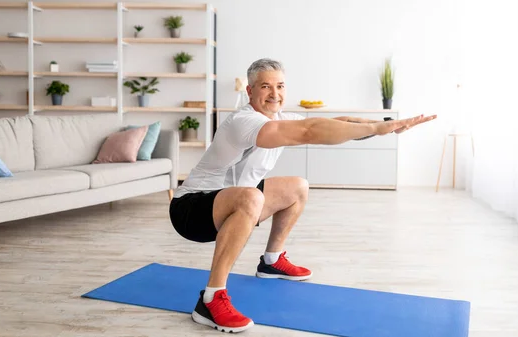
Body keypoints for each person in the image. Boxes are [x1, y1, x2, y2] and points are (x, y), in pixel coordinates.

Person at [169, 58, 437, 333]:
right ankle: (211, 299)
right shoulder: (244, 120)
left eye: (280, 86)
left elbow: (336, 123)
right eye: (265, 87)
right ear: (250, 92)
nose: (275, 94)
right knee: (251, 196)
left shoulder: (281, 118)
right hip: (191, 209)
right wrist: (374, 129)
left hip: (234, 202)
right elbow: (309, 131)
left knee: (298, 186)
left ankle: (271, 262)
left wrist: (385, 125)